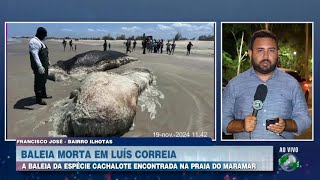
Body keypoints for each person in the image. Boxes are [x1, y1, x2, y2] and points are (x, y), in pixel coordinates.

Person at [222, 29, 311, 140]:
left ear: (278, 53)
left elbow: (305, 119)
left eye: (271, 50)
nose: (266, 56)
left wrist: (286, 125)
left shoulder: (291, 84)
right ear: (250, 54)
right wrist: (242, 125)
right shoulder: (234, 85)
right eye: (260, 50)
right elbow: (221, 121)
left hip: (280, 155)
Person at [29, 27, 52, 105]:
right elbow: (35, 55)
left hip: (44, 65)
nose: (45, 37)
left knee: (44, 80)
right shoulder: (34, 42)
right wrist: (39, 66)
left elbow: (44, 53)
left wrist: (47, 61)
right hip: (39, 67)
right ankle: (38, 99)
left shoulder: (40, 42)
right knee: (38, 81)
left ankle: (43, 94)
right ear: (40, 34)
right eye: (44, 35)